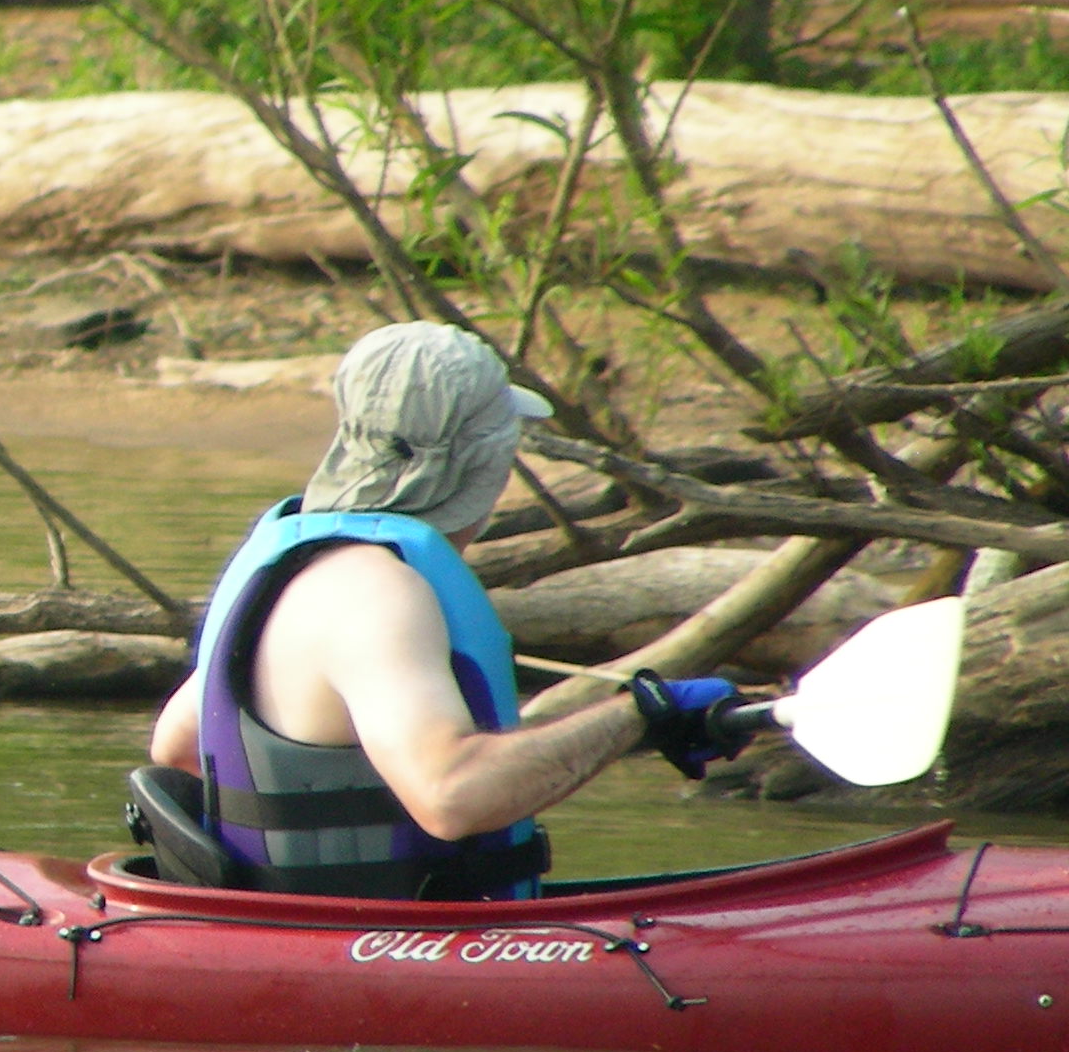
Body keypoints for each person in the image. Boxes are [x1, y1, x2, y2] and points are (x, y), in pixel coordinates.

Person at [146, 322, 748, 899]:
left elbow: (178, 746)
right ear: (480, 465)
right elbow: (451, 794)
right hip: (382, 951)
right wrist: (643, 716)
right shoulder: (375, 591)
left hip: (304, 934)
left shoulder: (297, 564)